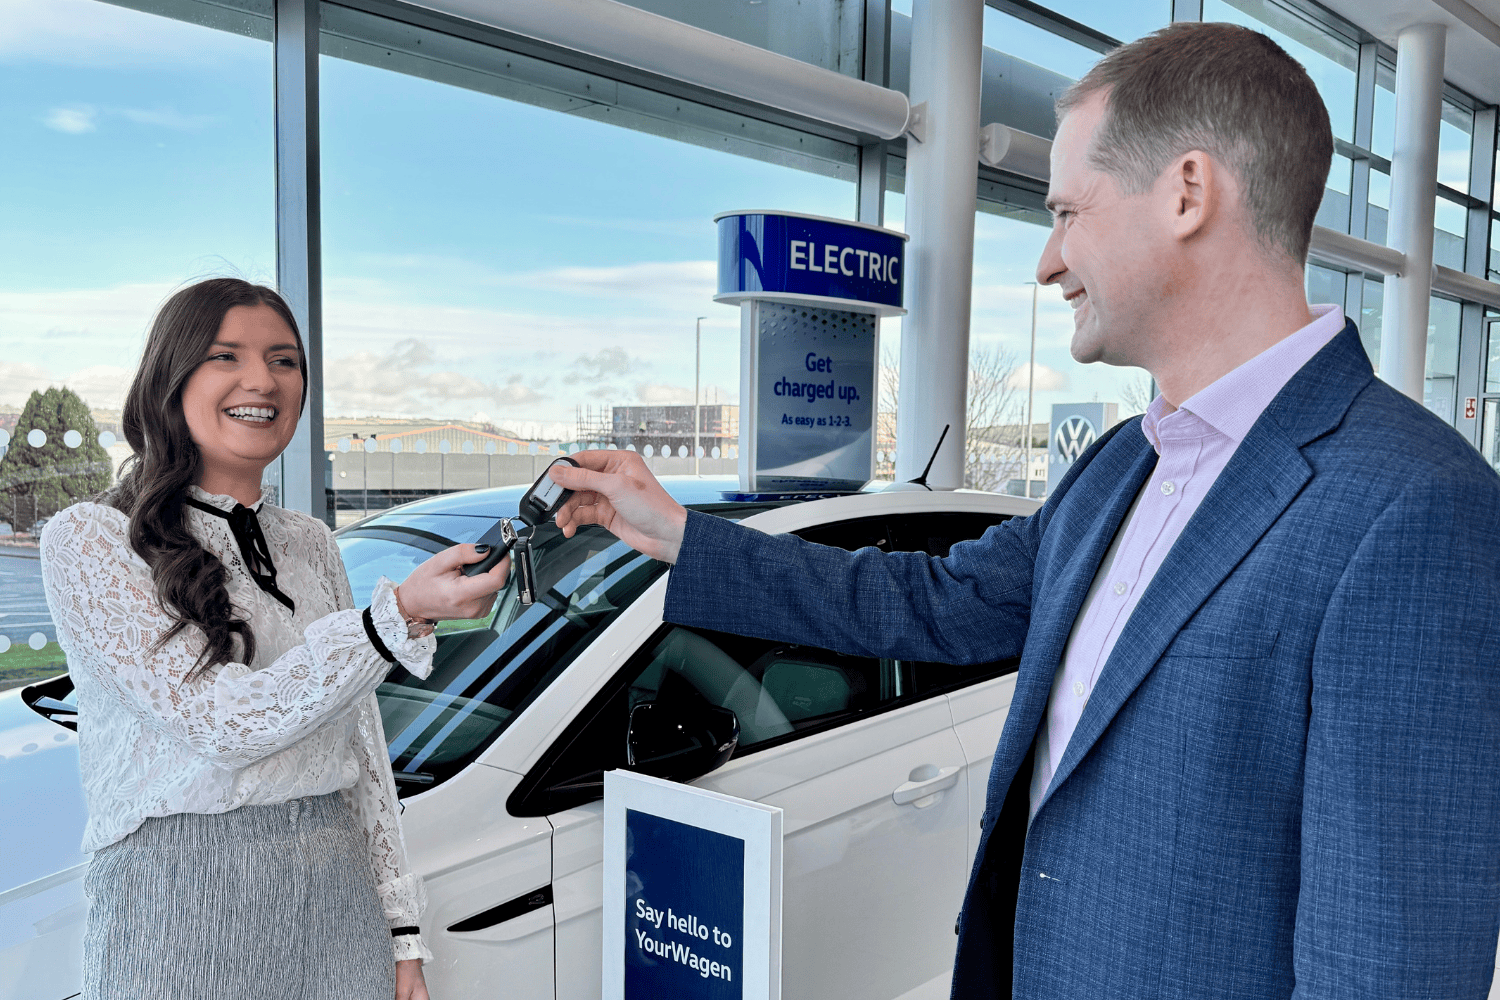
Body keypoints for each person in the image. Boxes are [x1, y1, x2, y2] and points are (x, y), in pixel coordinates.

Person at [548, 22, 1500, 1000]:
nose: (1047, 262)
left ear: (1187, 193)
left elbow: (1389, 973)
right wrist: (675, 533)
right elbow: (925, 604)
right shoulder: (1120, 469)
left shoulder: (1418, 511)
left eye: (1067, 211)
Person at [39, 278, 508, 1000]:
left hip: (337, 901)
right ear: (171, 377)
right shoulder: (92, 538)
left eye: (285, 361)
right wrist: (398, 615)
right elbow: (221, 721)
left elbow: (361, 746)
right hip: (179, 914)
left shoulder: (311, 543)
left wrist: (401, 932)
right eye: (226, 356)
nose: (262, 380)